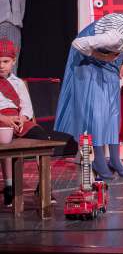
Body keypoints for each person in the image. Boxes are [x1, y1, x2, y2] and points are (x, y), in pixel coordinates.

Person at [54, 11, 123, 179]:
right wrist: (99, 56)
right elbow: (77, 43)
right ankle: (99, 161)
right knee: (98, 113)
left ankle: (115, 160)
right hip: (86, 54)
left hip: (107, 55)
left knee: (113, 111)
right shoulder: (114, 38)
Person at [0, 39, 77, 206]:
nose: (1, 66)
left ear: (13, 61)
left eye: (5, 62)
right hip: (2, 121)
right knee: (6, 142)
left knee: (42, 137)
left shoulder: (18, 83)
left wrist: (22, 119)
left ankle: (44, 185)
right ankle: (9, 187)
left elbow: (26, 107)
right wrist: (5, 119)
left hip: (19, 120)